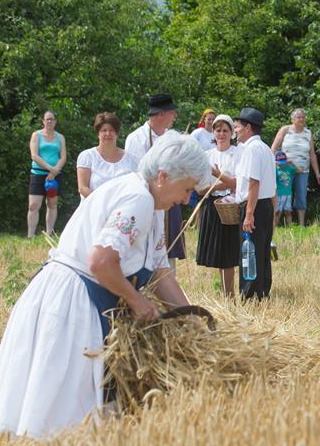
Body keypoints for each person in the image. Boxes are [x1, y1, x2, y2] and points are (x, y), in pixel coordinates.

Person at [0, 136, 209, 437]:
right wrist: (137, 301)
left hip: (75, 295)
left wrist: (188, 319)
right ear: (164, 177)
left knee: (60, 420)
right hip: (71, 303)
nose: (187, 199)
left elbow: (161, 272)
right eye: (188, 188)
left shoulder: (152, 203)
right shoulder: (136, 198)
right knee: (59, 424)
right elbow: (100, 262)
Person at [125, 93, 185, 270]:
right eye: (172, 113)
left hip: (169, 199)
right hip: (146, 201)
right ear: (161, 114)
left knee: (170, 247)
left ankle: (168, 282)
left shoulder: (172, 137)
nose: (174, 117)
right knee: (145, 243)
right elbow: (136, 174)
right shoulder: (136, 138)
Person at [234, 107, 276, 300]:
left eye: (237, 127)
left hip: (254, 205)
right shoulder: (266, 148)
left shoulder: (251, 150)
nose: (235, 131)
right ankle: (262, 291)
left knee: (249, 250)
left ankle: (249, 294)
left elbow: (253, 183)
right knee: (262, 250)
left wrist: (249, 213)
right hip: (265, 205)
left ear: (248, 127)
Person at [196, 114, 240, 297]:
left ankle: (229, 293)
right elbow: (199, 186)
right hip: (211, 205)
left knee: (228, 254)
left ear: (231, 133)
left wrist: (219, 178)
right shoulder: (207, 155)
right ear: (213, 133)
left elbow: (238, 182)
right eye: (218, 130)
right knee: (217, 253)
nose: (221, 134)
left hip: (229, 206)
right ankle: (223, 292)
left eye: (225, 130)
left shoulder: (239, 153)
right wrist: (220, 183)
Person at [271, 108, 320, 226]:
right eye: (298, 117)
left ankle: (300, 224)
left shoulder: (308, 133)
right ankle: (276, 225)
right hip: (285, 170)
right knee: (281, 195)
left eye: (303, 117)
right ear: (292, 119)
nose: (301, 119)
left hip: (303, 170)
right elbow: (274, 148)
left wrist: (317, 173)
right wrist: (275, 164)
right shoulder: (285, 130)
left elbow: (312, 154)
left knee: (301, 195)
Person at [76, 112, 139, 198]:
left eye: (111, 130)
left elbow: (136, 187)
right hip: (94, 207)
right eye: (104, 130)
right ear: (98, 134)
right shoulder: (87, 156)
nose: (108, 134)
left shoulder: (132, 159)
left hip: (123, 208)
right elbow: (83, 188)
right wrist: (103, 203)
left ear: (116, 133)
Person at [27, 110, 67, 237]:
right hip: (38, 174)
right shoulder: (36, 135)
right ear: (43, 121)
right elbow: (34, 155)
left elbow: (63, 157)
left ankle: (49, 233)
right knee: (33, 205)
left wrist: (55, 171)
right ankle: (30, 235)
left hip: (54, 176)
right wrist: (50, 169)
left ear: (55, 121)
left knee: (52, 203)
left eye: (52, 119)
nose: (49, 121)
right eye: (47, 119)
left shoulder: (60, 137)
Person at [274, 150, 299, 228]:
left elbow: (299, 170)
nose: (282, 165)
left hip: (288, 193)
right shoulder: (275, 170)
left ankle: (290, 227)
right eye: (280, 163)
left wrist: (292, 163)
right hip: (278, 194)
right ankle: (275, 228)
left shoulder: (289, 168)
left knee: (288, 211)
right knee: (277, 212)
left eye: (284, 162)